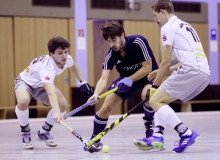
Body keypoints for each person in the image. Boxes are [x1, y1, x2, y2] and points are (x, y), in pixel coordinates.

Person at [134, 0, 210, 153]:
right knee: (161, 101)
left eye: (156, 16)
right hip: (203, 73)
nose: (155, 20)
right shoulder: (184, 24)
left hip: (191, 70)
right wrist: (165, 72)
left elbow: (165, 62)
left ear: (163, 11)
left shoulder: (167, 27)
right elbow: (184, 59)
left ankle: (186, 133)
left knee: (154, 99)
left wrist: (155, 86)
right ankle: (157, 134)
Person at [84, 21, 158, 153]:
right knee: (106, 106)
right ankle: (95, 139)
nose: (112, 44)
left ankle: (150, 132)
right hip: (126, 80)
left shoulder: (138, 41)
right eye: (109, 41)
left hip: (149, 76)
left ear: (122, 35)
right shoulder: (111, 55)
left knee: (147, 96)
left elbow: (148, 67)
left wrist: (129, 79)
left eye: (114, 39)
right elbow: (104, 78)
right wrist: (96, 94)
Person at [14, 36, 93, 150]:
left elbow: (73, 66)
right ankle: (25, 132)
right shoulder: (46, 68)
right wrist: (56, 112)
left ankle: (44, 132)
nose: (64, 56)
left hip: (42, 85)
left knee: (62, 105)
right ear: (51, 53)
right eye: (60, 53)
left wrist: (82, 81)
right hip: (25, 82)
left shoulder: (67, 59)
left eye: (66, 52)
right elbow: (51, 93)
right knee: (23, 101)